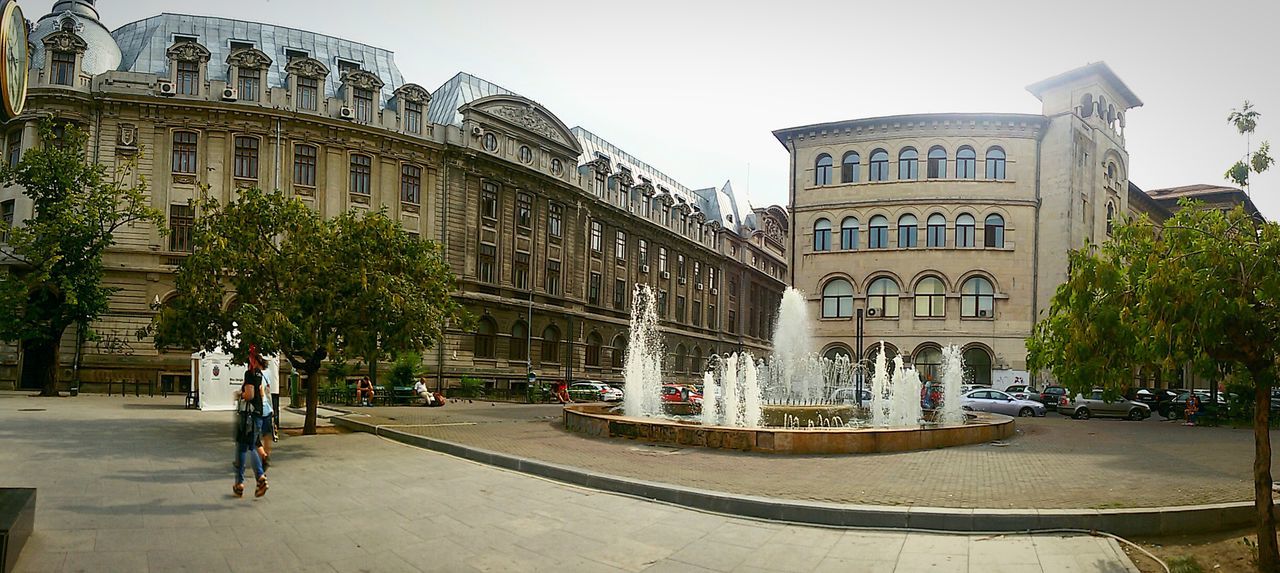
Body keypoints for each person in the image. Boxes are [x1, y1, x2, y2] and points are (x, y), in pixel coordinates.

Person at [233, 369, 268, 498]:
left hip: (248, 416)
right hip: (258, 414)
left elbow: (249, 395)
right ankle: (240, 483)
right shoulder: (260, 374)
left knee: (245, 447)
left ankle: (258, 477)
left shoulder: (249, 373)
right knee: (246, 446)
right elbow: (261, 394)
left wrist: (240, 395)